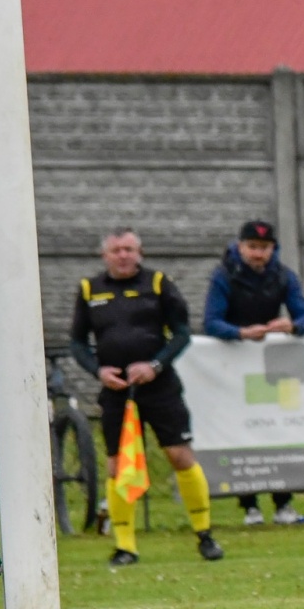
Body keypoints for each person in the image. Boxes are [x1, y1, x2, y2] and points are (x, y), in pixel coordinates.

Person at [70, 227, 224, 565]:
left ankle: (204, 534)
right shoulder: (89, 289)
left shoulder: (158, 284)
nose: (123, 255)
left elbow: (182, 333)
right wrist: (99, 371)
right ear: (104, 255)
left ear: (140, 252)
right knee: (117, 465)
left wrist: (155, 365)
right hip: (117, 392)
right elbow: (78, 343)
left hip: (160, 386)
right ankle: (125, 545)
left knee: (180, 456)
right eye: (116, 250)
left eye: (129, 249)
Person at [203, 219, 304, 526]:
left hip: (273, 367)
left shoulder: (283, 275)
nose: (258, 254)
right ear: (240, 247)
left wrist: (294, 326)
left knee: (278, 429)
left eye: (264, 248)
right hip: (235, 365)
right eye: (252, 247)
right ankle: (250, 506)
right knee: (242, 431)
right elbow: (211, 322)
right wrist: (240, 333)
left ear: (273, 249)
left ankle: (284, 505)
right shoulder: (223, 276)